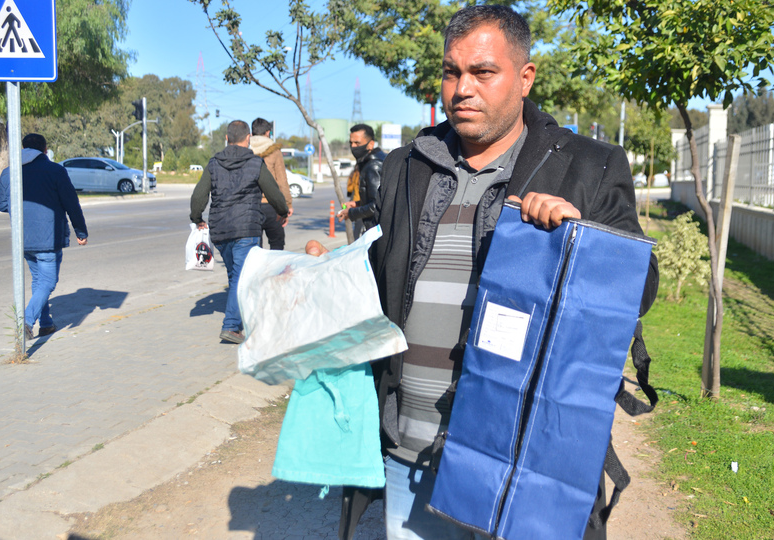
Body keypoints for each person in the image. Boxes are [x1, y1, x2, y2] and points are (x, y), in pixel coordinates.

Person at [311, 6, 659, 539]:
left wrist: (578, 241)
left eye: (482, 72)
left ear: (525, 78)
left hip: (523, 464)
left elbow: (639, 288)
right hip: (412, 451)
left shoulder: (589, 166)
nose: (461, 89)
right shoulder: (409, 164)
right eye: (451, 72)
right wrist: (332, 271)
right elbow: (384, 281)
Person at [190, 120, 288, 344]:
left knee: (236, 276)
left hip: (220, 229)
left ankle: (243, 319)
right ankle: (231, 326)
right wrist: (282, 211)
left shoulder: (214, 163)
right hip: (246, 228)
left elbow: (198, 197)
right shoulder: (255, 162)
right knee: (241, 278)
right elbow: (273, 192)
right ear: (248, 139)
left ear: (227, 138)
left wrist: (197, 218)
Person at [0, 133, 88, 340]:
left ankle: (46, 324)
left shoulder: (9, 173)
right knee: (48, 281)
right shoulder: (56, 171)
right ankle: (26, 323)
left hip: (23, 238)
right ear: (45, 151)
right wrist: (81, 232)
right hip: (48, 237)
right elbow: (71, 204)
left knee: (39, 281)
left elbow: (2, 204)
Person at [249, 118, 293, 250]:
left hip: (251, 206)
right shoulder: (274, 151)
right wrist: (287, 205)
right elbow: (282, 180)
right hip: (272, 206)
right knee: (277, 245)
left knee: (255, 249)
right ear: (268, 132)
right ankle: (276, 271)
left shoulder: (245, 149)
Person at [336, 124, 386, 239]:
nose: (353, 147)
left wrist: (351, 213)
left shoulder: (374, 165)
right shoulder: (370, 162)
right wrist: (357, 204)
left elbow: (377, 206)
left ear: (371, 144)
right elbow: (377, 197)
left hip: (378, 231)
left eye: (357, 143)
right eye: (351, 143)